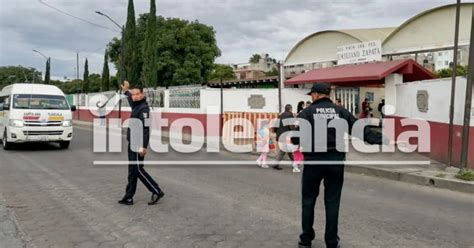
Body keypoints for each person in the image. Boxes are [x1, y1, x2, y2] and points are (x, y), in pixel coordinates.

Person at [293, 83, 383, 248]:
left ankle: (306, 239)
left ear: (316, 94)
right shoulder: (340, 111)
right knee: (332, 203)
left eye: (311, 94)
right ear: (328, 94)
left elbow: (296, 139)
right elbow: (360, 130)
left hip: (313, 163)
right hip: (335, 163)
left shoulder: (306, 112)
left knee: (308, 201)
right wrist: (382, 139)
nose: (311, 97)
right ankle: (332, 241)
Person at [118, 81, 165, 206]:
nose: (135, 96)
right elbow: (130, 99)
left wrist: (144, 146)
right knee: (132, 170)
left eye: (137, 94)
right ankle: (128, 197)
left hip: (138, 144)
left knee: (138, 170)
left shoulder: (144, 109)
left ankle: (156, 190)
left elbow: (146, 129)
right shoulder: (136, 104)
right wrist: (126, 91)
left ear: (142, 94)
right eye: (133, 95)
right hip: (132, 142)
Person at [273, 104, 295, 170]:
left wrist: (276, 132)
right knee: (283, 150)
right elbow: (291, 125)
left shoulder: (280, 115)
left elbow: (276, 125)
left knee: (288, 150)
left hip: (280, 135)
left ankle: (294, 164)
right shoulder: (290, 115)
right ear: (290, 109)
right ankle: (276, 164)